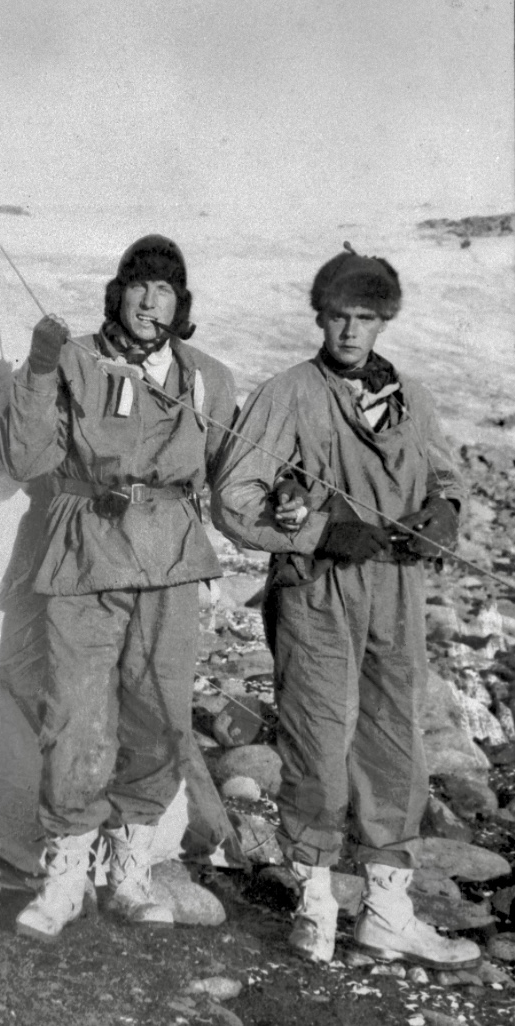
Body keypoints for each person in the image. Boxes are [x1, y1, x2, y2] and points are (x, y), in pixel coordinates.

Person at [210, 246, 481, 970]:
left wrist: (444, 514)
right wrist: (324, 528)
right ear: (319, 317)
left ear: (384, 320)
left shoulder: (412, 398)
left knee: (395, 741)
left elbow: (447, 475)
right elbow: (234, 499)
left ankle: (389, 911)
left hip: (397, 590)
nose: (351, 332)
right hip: (319, 590)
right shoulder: (289, 393)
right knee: (319, 740)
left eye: (366, 318)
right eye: (338, 317)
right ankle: (317, 902)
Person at [0, 235, 238, 941]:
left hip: (170, 562)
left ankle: (128, 870)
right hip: (85, 554)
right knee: (74, 714)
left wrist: (284, 508)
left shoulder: (208, 379)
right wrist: (40, 373)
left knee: (159, 714)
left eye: (163, 288)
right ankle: (66, 874)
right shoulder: (72, 359)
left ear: (180, 304)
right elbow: (25, 455)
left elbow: (235, 480)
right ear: (118, 292)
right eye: (136, 284)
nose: (147, 299)